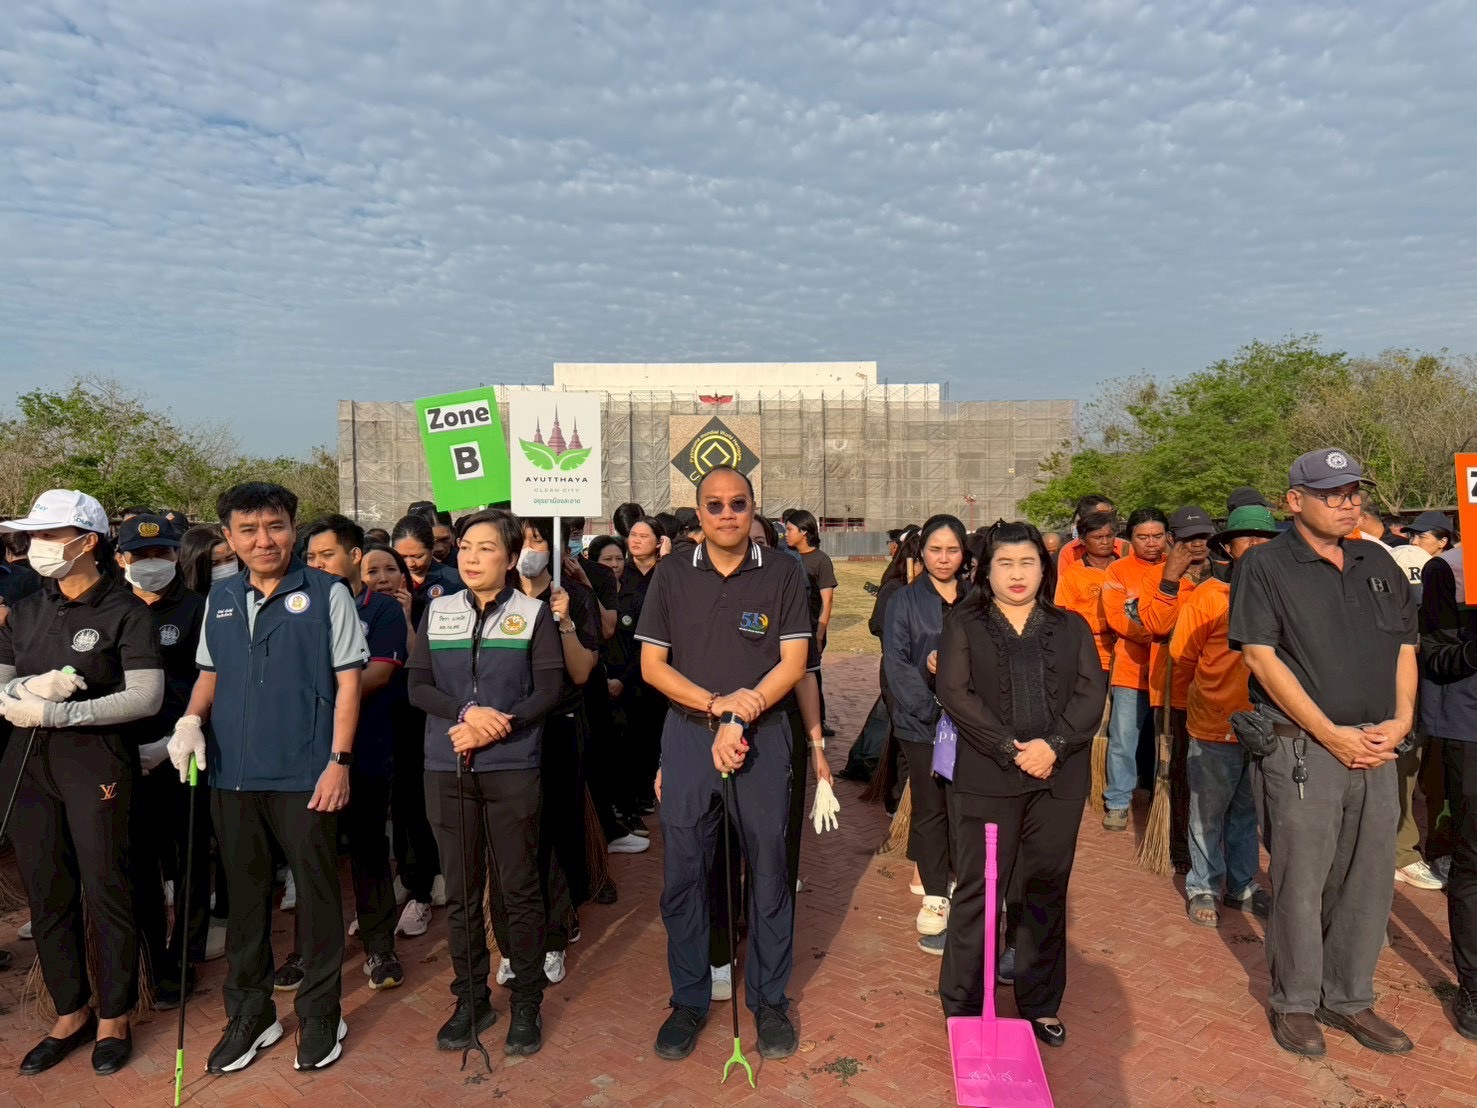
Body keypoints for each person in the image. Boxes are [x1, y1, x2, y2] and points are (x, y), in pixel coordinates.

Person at [167, 482, 369, 1074]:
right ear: (227, 536)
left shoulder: (327, 593)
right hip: (232, 775)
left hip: (306, 773)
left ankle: (321, 1012)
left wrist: (339, 762)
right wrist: (189, 721)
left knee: (317, 899)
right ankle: (252, 1013)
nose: (264, 540)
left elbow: (349, 683)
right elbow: (210, 672)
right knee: (247, 903)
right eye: (249, 530)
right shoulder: (221, 597)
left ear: (293, 528)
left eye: (275, 526)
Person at [1229, 448, 1416, 1058]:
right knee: (1302, 882)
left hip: (1377, 745)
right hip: (1304, 749)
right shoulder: (1265, 567)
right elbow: (1261, 657)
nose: (1348, 503)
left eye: (1353, 491)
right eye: (1333, 493)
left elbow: (1405, 649)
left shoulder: (1377, 559)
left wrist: (1401, 720)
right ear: (1294, 500)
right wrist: (1329, 733)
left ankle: (1349, 996)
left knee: (1368, 881)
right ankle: (1297, 1002)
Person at [636, 466, 810, 1062]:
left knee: (768, 873)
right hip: (688, 739)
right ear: (698, 512)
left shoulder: (785, 572)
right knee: (684, 876)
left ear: (754, 508)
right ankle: (687, 999)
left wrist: (743, 714)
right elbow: (652, 668)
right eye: (714, 505)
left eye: (738, 503)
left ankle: (769, 1000)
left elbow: (793, 662)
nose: (727, 513)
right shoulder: (669, 574)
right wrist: (715, 708)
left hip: (762, 740)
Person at [0, 490, 163, 1076]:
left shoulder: (125, 611)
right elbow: (0, 685)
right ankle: (70, 1009)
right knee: (48, 891)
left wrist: (63, 713)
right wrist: (22, 693)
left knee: (107, 888)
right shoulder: (24, 609)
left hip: (95, 763)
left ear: (86, 541)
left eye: (49, 535)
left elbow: (146, 695)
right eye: (34, 536)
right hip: (26, 766)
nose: (37, 547)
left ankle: (115, 1013)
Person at [935, 520, 1107, 1048]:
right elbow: (956, 692)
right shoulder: (965, 624)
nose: (1017, 574)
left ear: (1044, 568)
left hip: (1058, 779)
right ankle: (964, 1003)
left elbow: (1090, 693)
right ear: (986, 570)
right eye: (1005, 563)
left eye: (1027, 562)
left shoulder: (1071, 625)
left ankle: (1040, 1001)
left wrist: (1052, 746)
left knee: (1044, 889)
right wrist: (1012, 749)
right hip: (987, 777)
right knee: (978, 891)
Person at [407, 508, 561, 1055]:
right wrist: (467, 714)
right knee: (463, 891)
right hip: (445, 766)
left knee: (518, 888)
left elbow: (548, 689)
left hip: (513, 766)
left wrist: (501, 725)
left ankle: (526, 1003)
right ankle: (470, 999)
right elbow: (418, 686)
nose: (472, 557)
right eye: (467, 547)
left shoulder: (533, 615)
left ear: (512, 557)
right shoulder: (438, 610)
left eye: (487, 548)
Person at [302, 516, 409, 991]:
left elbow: (379, 675)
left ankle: (379, 946)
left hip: (366, 750)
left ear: (354, 556)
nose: (317, 564)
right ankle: (310, 951)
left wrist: (310, 693)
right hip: (306, 754)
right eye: (310, 557)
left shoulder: (381, 609)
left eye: (326, 554)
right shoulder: (298, 606)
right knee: (313, 855)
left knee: (368, 850)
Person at [114, 514, 211, 1010]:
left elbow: (208, 681)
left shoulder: (199, 609)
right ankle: (151, 955)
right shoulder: (113, 609)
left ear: (176, 556)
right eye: (143, 555)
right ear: (122, 558)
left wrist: (178, 735)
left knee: (189, 856)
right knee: (139, 861)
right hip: (124, 755)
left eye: (163, 554)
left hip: (181, 751)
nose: (153, 563)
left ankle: (185, 956)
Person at [1170, 505, 1279, 927]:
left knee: (1247, 813)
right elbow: (1182, 655)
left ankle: (1243, 885)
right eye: (1245, 538)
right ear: (1229, 549)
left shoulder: (1280, 594)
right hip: (1214, 723)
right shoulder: (1207, 598)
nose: (1254, 546)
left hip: (1266, 725)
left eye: (1263, 538)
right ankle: (1203, 886)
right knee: (1207, 812)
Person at [883, 514, 970, 954]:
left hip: (973, 726)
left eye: (952, 549)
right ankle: (936, 895)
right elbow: (896, 663)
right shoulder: (904, 601)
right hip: (922, 724)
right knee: (932, 807)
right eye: (935, 549)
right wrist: (932, 711)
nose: (943, 558)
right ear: (921, 552)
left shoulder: (977, 598)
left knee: (966, 808)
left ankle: (968, 891)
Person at [362, 542, 445, 935]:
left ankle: (421, 890)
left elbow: (421, 664)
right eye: (372, 571)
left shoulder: (428, 609)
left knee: (415, 804)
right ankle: (401, 877)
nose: (382, 578)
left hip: (413, 720)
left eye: (390, 570)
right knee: (388, 808)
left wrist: (409, 618)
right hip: (374, 722)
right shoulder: (353, 614)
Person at [1416, 529, 1477, 1035]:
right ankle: (1474, 990)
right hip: (1469, 732)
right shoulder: (1448, 570)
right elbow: (1434, 658)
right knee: (1474, 858)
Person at [1388, 511, 1457, 892]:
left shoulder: (1446, 571)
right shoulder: (1403, 560)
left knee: (1435, 774)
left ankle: (1433, 848)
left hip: (1440, 692)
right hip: (1407, 688)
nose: (1414, 539)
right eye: (1412, 534)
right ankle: (1403, 851)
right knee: (1407, 769)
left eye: (1422, 534)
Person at [1098, 507, 1169, 830]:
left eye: (1157, 536)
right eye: (1143, 537)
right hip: (1130, 668)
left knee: (1164, 739)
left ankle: (1162, 798)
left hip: (1170, 672)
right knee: (1124, 738)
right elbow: (1117, 618)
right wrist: (1158, 633)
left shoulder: (1179, 568)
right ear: (1131, 539)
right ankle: (1117, 801)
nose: (1151, 543)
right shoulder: (1118, 571)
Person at [784, 508, 838, 738]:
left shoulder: (820, 560)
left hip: (812, 628)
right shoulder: (785, 556)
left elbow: (827, 601)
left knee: (812, 675)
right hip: (792, 627)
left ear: (804, 532)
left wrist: (819, 633)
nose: (785, 534)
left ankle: (817, 722)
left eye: (789, 529)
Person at [1053, 510, 1120, 674]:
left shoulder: (1125, 567)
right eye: (1098, 537)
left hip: (1127, 658)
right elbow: (1063, 617)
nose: (1105, 542)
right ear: (1082, 540)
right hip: (1089, 656)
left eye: (1109, 536)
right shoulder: (1072, 574)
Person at [392, 514, 463, 625]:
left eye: (418, 556)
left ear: (432, 546)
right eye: (402, 557)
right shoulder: (387, 581)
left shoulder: (455, 581)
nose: (410, 563)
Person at [1057, 494, 1128, 569]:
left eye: (1112, 513)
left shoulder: (1126, 547)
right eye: (1103, 514)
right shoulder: (1069, 551)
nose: (1105, 542)